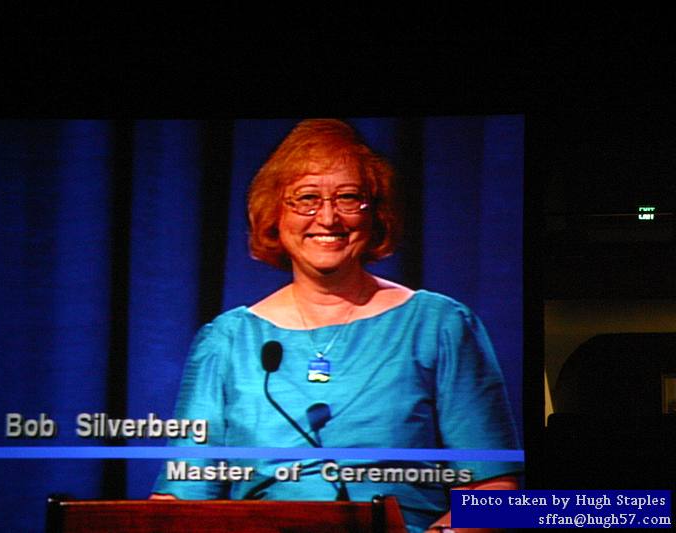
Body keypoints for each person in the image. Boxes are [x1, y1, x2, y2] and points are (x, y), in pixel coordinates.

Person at [151, 119, 520, 532]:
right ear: (274, 215)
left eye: (348, 198)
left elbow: (496, 491)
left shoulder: (440, 326)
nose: (327, 217)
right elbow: (179, 502)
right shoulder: (227, 342)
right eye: (306, 198)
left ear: (376, 213)